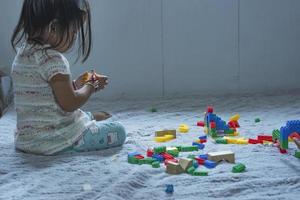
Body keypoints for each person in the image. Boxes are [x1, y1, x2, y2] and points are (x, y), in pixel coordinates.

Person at [10, 0, 126, 155]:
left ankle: (83, 118)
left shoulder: (22, 54)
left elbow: (44, 94)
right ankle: (77, 128)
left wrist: (75, 84)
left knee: (82, 115)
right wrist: (90, 85)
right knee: (119, 130)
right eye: (73, 32)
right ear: (53, 28)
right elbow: (70, 103)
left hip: (28, 140)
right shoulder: (52, 58)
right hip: (55, 140)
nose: (74, 37)